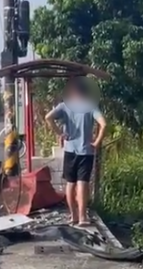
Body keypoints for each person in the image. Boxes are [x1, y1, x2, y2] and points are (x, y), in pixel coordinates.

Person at [45, 78, 106, 227]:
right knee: (82, 184)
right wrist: (97, 142)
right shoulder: (91, 106)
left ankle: (73, 216)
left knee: (70, 184)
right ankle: (82, 217)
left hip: (70, 150)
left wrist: (60, 133)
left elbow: (48, 117)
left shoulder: (65, 106)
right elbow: (104, 124)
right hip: (86, 151)